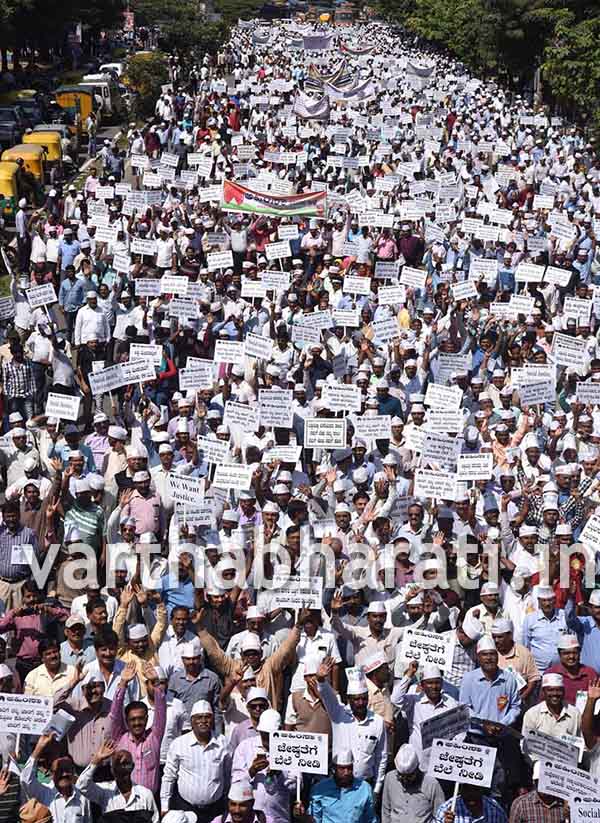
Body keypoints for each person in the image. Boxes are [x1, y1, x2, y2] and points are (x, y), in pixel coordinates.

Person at [161, 699, 232, 821]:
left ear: (212, 720)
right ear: (192, 721)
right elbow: (169, 776)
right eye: (199, 717)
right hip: (186, 808)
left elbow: (227, 774)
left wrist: (226, 800)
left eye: (207, 717)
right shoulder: (179, 744)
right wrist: (164, 806)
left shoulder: (223, 743)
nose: (203, 721)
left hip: (215, 809)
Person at [76, 740, 159, 822]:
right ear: (112, 770)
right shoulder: (105, 792)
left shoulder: (145, 795)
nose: (122, 769)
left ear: (132, 767)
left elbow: (155, 820)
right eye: (118, 765)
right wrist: (96, 760)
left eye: (126, 764)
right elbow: (81, 786)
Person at [20, 733, 92, 822]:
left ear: (73, 772)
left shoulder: (82, 797)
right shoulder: (43, 792)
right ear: (51, 773)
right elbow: (25, 779)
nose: (64, 774)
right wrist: (38, 749)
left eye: (67, 769)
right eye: (60, 770)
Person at [294, 750, 376, 823]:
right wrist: (303, 816)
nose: (346, 772)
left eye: (349, 768)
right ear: (334, 769)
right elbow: (315, 820)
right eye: (342, 768)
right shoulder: (320, 789)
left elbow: (370, 819)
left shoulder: (364, 789)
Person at [381, 744, 444, 823]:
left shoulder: (432, 784)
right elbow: (386, 810)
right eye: (401, 776)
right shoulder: (390, 778)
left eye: (409, 776)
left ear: (416, 768)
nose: (404, 780)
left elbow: (439, 816)